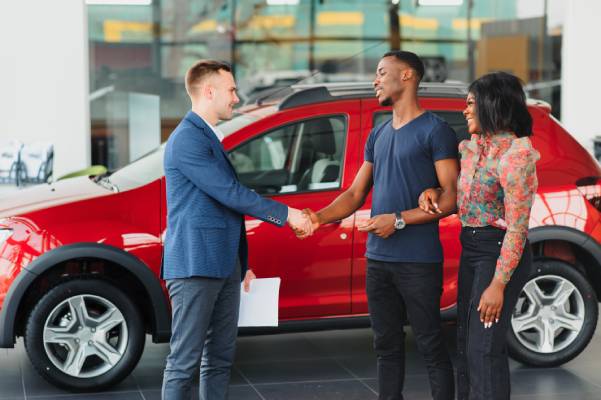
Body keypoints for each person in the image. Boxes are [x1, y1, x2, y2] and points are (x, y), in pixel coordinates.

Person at [301, 51, 459, 400]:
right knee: (385, 346)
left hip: (418, 261)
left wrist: (399, 220)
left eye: (381, 72)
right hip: (379, 260)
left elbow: (450, 198)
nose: (375, 80)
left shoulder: (435, 130)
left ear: (407, 76)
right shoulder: (379, 134)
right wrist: (318, 217)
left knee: (431, 345)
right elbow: (356, 192)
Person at [161, 59, 312, 400]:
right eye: (231, 90)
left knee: (219, 359)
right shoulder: (187, 139)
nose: (236, 97)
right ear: (209, 91)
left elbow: (223, 206)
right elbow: (229, 194)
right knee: (183, 363)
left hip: (223, 265)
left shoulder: (207, 137)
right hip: (195, 266)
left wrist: (240, 264)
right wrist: (287, 214)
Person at [419, 71, 540, 400]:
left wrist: (498, 284)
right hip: (472, 248)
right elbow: (466, 200)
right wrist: (431, 190)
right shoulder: (473, 148)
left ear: (492, 104)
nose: (465, 110)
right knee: (469, 346)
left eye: (471, 103)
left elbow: (517, 227)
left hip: (498, 253)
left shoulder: (516, 156)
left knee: (483, 350)